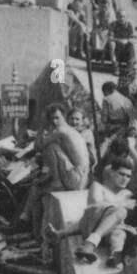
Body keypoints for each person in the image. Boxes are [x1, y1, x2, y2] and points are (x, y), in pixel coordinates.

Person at [44, 152, 136, 267]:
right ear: (112, 173)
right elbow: (95, 208)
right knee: (121, 212)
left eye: (128, 176)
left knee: (119, 233)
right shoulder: (97, 187)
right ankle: (90, 244)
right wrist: (120, 206)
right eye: (121, 174)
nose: (125, 179)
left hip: (108, 234)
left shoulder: (127, 194)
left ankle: (115, 255)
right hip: (92, 227)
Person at [22, 104, 91, 257]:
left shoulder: (61, 130)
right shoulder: (68, 131)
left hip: (76, 179)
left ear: (63, 118)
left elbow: (39, 146)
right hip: (80, 177)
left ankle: (53, 181)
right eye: (51, 118)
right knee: (37, 192)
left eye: (57, 118)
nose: (54, 121)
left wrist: (41, 128)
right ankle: (33, 230)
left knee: (50, 147)